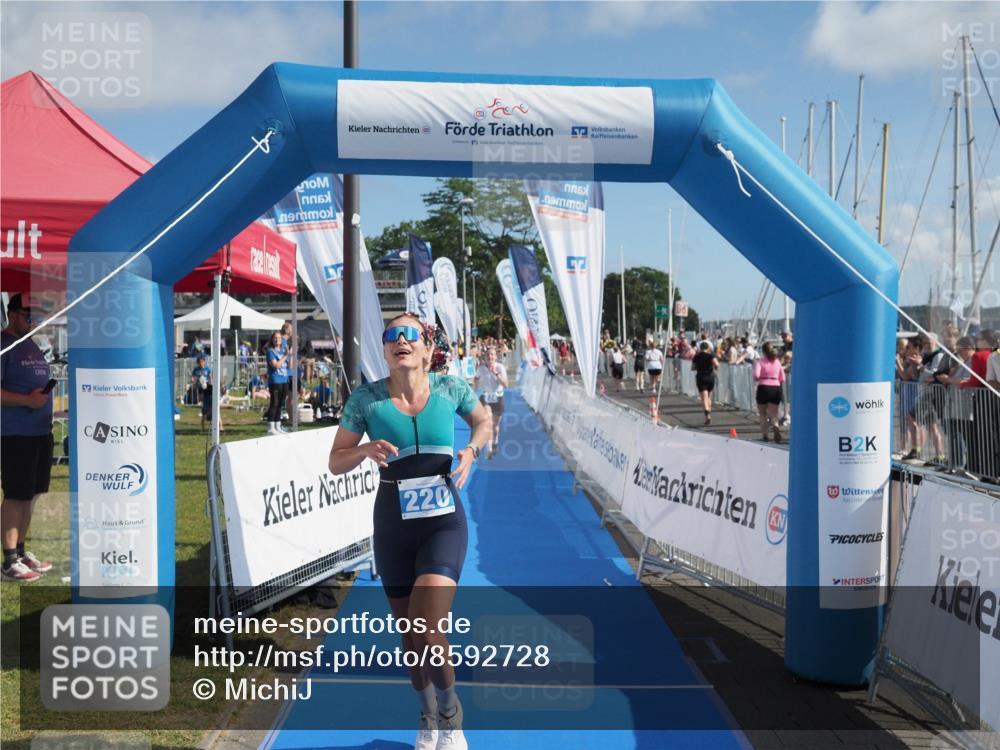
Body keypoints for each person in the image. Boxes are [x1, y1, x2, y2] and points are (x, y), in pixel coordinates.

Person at [329, 313, 492, 750]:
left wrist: (472, 449)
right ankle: (427, 716)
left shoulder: (449, 388)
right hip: (393, 529)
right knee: (410, 636)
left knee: (427, 624)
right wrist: (364, 448)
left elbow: (483, 421)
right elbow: (336, 460)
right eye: (392, 335)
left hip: (443, 524)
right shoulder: (366, 399)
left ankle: (451, 715)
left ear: (426, 348)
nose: (401, 340)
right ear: (385, 349)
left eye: (410, 334)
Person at [1, 294, 54, 582]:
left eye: (39, 317)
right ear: (13, 314)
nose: (36, 322)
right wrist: (26, 400)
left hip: (40, 432)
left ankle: (21, 553)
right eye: (30, 316)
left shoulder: (31, 344)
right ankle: (9, 561)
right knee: (16, 495)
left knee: (32, 495)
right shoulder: (4, 344)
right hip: (15, 433)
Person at [475, 346, 508, 458]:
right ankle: (488, 448)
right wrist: (476, 381)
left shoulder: (500, 367)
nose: (490, 356)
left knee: (495, 426)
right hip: (485, 397)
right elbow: (476, 387)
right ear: (485, 356)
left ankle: (495, 440)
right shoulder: (480, 369)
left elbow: (506, 385)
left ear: (495, 357)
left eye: (492, 354)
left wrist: (496, 373)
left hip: (498, 397)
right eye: (488, 354)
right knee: (488, 422)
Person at [753, 342, 786, 442]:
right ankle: (776, 426)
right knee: (774, 414)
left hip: (763, 387)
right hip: (775, 388)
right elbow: (783, 378)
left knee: (762, 413)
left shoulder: (760, 362)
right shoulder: (777, 362)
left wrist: (760, 378)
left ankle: (765, 435)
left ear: (763, 351)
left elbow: (756, 375)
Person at [266, 331, 290, 435]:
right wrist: (285, 356)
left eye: (279, 338)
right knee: (274, 403)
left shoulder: (282, 350)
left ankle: (277, 426)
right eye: (275, 338)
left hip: (284, 380)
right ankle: (271, 428)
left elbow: (287, 366)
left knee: (280, 404)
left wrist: (289, 355)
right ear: (272, 339)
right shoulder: (270, 351)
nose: (277, 340)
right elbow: (275, 365)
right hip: (275, 380)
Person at [691, 341, 719, 425]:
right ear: (708, 348)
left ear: (700, 348)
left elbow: (692, 367)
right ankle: (709, 412)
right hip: (710, 377)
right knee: (709, 396)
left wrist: (699, 366)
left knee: (704, 398)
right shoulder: (711, 355)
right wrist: (715, 368)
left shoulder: (697, 356)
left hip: (701, 377)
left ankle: (707, 415)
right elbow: (716, 364)